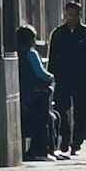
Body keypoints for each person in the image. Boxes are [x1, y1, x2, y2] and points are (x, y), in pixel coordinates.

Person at [48, 1, 86, 155]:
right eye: (68, 14)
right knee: (61, 109)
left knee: (81, 111)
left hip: (80, 77)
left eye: (74, 15)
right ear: (65, 14)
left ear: (79, 15)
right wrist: (51, 76)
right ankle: (65, 139)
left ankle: (76, 142)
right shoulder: (58, 33)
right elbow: (52, 57)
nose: (71, 18)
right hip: (63, 77)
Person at [17, 26, 57, 162]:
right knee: (45, 119)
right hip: (35, 95)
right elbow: (41, 74)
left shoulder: (17, 53)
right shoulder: (31, 54)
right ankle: (40, 150)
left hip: (24, 96)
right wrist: (52, 76)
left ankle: (44, 150)